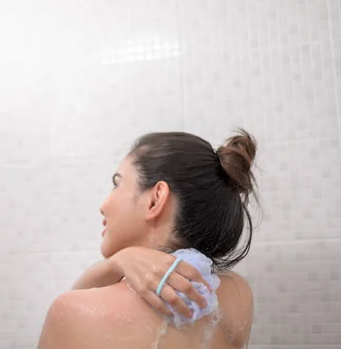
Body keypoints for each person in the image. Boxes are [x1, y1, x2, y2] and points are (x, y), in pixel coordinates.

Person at [38, 130, 256, 349]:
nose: (103, 205)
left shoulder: (73, 312)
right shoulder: (237, 296)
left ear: (155, 200)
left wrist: (114, 264)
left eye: (117, 184)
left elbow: (71, 312)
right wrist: (116, 263)